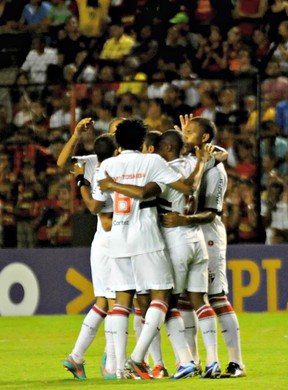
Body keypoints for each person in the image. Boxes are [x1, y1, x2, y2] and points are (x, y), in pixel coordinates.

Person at [93, 119, 205, 379]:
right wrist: (200, 163)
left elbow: (97, 206)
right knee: (161, 297)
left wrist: (105, 185)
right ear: (144, 141)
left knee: (122, 300)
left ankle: (119, 368)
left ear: (118, 142)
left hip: (118, 237)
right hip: (146, 237)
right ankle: (136, 358)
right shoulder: (152, 161)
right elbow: (187, 188)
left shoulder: (106, 166)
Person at [167, 116, 247, 378]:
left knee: (216, 297)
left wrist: (183, 220)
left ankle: (236, 363)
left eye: (190, 132)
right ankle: (193, 361)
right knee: (185, 300)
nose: (184, 134)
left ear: (203, 139)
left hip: (207, 234)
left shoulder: (215, 169)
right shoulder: (191, 162)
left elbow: (212, 212)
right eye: (183, 131)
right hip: (186, 235)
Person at [63, 129, 119, 379]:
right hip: (109, 244)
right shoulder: (101, 170)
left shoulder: (117, 169)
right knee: (116, 303)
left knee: (105, 303)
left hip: (110, 244)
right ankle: (111, 364)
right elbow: (105, 218)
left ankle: (77, 357)